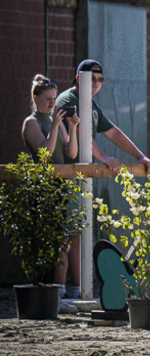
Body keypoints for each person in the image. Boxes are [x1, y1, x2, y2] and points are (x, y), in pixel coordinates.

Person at [22, 75, 81, 299]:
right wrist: (55, 125)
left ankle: (71, 289)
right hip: (46, 188)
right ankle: (56, 290)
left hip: (63, 185)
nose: (52, 104)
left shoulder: (56, 120)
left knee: (70, 236)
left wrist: (72, 127)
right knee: (56, 240)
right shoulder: (32, 123)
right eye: (47, 99)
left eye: (54, 99)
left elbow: (71, 153)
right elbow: (45, 155)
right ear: (35, 98)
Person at [54, 59, 150, 173]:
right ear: (78, 79)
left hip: (80, 172)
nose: (96, 83)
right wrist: (103, 157)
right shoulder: (68, 100)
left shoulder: (91, 105)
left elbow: (114, 133)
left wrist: (140, 156)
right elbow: (80, 133)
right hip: (61, 171)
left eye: (100, 79)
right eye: (92, 78)